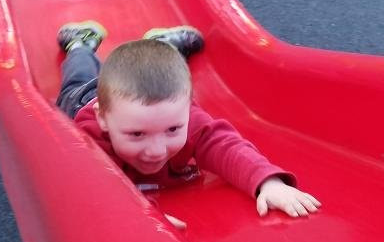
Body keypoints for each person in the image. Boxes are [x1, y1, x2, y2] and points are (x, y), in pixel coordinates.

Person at [55, 21, 321, 220]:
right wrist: (142, 219)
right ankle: (80, 44)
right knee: (79, 74)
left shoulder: (186, 118)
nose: (157, 150)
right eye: (137, 134)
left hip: (143, 92)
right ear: (104, 119)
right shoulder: (89, 137)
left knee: (168, 72)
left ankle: (164, 45)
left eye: (172, 129)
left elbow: (225, 146)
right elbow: (95, 191)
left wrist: (267, 182)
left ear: (188, 109)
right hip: (86, 96)